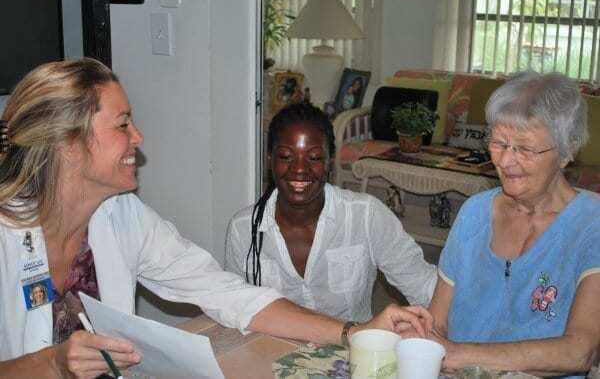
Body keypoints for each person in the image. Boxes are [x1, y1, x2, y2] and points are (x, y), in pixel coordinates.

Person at [0, 58, 432, 379]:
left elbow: (229, 293)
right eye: (122, 124)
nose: (139, 137)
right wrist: (53, 363)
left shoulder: (123, 217)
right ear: (68, 144)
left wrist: (353, 331)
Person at [423, 72, 600, 378]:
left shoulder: (591, 224)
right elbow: (437, 321)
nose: (505, 161)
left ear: (567, 152)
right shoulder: (475, 212)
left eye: (525, 149)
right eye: (498, 143)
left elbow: (578, 351)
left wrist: (458, 355)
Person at [224, 103, 437, 322]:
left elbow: (424, 286)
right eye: (286, 156)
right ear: (270, 160)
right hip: (268, 349)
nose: (299, 169)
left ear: (329, 162)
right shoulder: (243, 229)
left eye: (314, 157)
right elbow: (235, 307)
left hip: (350, 350)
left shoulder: (366, 216)